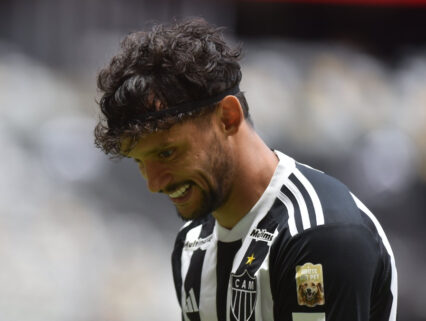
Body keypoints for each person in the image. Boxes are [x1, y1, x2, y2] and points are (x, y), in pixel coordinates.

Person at [94, 18, 397, 321]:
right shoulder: (192, 244)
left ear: (227, 117)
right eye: (140, 162)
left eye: (167, 152)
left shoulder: (320, 234)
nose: (154, 183)